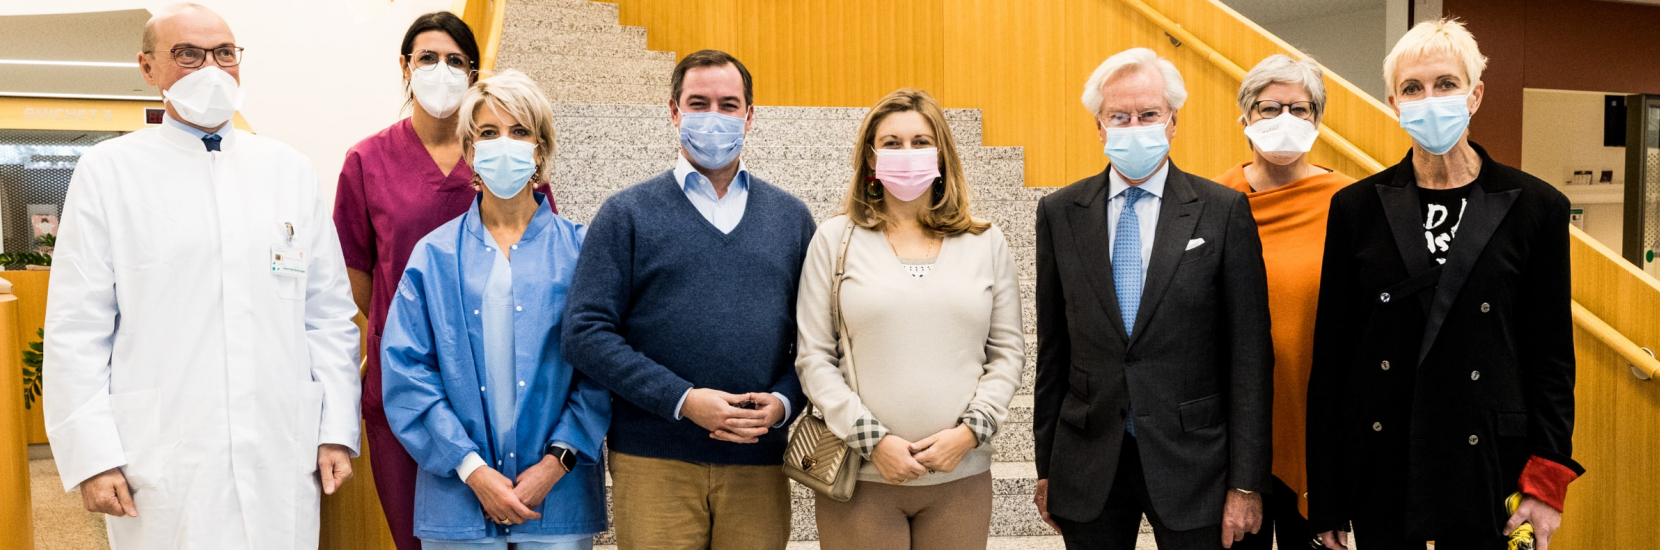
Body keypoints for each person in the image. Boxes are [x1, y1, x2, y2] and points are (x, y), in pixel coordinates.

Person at [43, 4, 360, 548]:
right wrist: (94, 457)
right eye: (187, 54)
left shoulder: (287, 169)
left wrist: (334, 431)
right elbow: (77, 329)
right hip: (164, 451)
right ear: (148, 69)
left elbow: (327, 314)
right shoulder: (109, 172)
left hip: (277, 446)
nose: (210, 68)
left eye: (224, 54)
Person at [1306, 19, 1582, 550]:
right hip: (1384, 457)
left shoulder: (1537, 207)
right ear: (1394, 102)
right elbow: (1333, 360)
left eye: (1446, 84)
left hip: (1491, 466)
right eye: (1413, 88)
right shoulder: (1355, 208)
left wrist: (1546, 488)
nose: (1428, 99)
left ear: (1475, 95)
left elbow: (1551, 358)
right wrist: (1329, 497)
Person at [561, 49, 816, 550]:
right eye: (699, 103)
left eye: (728, 104)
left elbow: (815, 340)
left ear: (750, 115)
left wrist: (785, 402)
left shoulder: (791, 219)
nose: (713, 117)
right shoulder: (625, 215)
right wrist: (682, 400)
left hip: (757, 462)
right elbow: (585, 333)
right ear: (674, 112)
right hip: (654, 460)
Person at [1031, 46, 1274, 550]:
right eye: (1119, 116)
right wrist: (1046, 467)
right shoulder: (1060, 213)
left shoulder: (1222, 211)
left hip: (1196, 464)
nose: (1134, 126)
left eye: (1148, 114)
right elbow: (1052, 351)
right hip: (1089, 460)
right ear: (1099, 127)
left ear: (1173, 122)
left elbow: (1250, 358)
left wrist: (1246, 483)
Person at [332, 14, 549, 548]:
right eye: (427, 58)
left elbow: (537, 260)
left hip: (500, 376)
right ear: (405, 67)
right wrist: (404, 319)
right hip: (408, 381)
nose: (441, 71)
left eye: (456, 61)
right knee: (420, 535)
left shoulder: (506, 158)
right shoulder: (366, 160)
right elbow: (357, 270)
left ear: (474, 73)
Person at [381, 70, 610, 550]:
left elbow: (603, 370)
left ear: (541, 149)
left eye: (519, 131)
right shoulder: (433, 257)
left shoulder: (582, 250)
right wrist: (472, 469)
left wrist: (554, 466)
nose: (503, 143)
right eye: (488, 133)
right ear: (469, 152)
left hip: (557, 496)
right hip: (458, 494)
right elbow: (406, 373)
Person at [794, 88, 1025, 550]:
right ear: (871, 158)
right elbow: (814, 358)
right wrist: (874, 441)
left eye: (921, 141)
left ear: (942, 154)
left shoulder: (986, 241)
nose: (907, 153)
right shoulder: (835, 239)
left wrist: (968, 434)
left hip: (961, 476)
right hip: (861, 479)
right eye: (892, 142)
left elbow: (1007, 354)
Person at [1213, 54, 1357, 550]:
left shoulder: (1349, 204)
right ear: (1245, 118)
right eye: (1268, 107)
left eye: (1300, 108)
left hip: (1317, 428)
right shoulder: (1213, 202)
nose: (1285, 121)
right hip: (1232, 434)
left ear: (1318, 120)